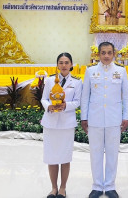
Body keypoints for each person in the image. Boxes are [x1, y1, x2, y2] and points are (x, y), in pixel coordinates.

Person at [81, 42, 128, 198]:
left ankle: (110, 186)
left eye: (110, 52)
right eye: (103, 52)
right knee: (95, 153)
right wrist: (84, 117)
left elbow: (126, 96)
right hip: (94, 119)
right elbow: (85, 96)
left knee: (112, 154)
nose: (107, 56)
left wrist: (126, 116)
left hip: (114, 119)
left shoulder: (121, 71)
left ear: (114, 54)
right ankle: (97, 185)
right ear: (98, 54)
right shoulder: (90, 71)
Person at [41, 53, 82, 198]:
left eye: (66, 62)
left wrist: (66, 106)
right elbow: (44, 99)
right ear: (57, 65)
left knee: (65, 156)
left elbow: (78, 101)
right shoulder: (50, 80)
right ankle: (53, 188)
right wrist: (49, 107)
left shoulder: (77, 82)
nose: (64, 65)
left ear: (71, 65)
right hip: (51, 123)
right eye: (61, 62)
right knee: (51, 156)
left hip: (66, 123)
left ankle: (63, 188)